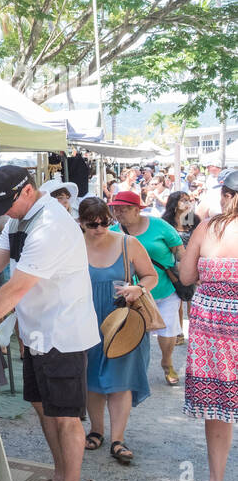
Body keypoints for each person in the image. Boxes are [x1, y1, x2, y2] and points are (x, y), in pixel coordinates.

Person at [0, 167, 100, 481]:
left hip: (62, 333)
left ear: (29, 192)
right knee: (42, 406)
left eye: (7, 204)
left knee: (66, 416)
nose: (3, 212)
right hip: (36, 332)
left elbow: (16, 287)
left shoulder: (50, 226)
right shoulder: (19, 219)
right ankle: (60, 477)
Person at [78, 197, 158, 463]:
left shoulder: (127, 243)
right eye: (92, 224)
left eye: (104, 222)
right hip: (86, 319)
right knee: (91, 379)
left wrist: (139, 288)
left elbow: (151, 275)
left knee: (120, 381)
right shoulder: (74, 247)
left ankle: (117, 439)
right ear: (81, 223)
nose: (99, 228)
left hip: (123, 320)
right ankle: (96, 430)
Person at [179, 168, 238, 481]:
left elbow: (187, 276)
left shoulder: (207, 228)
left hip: (213, 327)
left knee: (220, 408)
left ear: (227, 196)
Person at [109, 190, 185, 386]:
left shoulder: (159, 226)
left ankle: (167, 363)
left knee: (167, 331)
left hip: (165, 289)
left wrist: (188, 273)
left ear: (136, 210)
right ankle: (137, 370)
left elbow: (179, 252)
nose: (118, 214)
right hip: (136, 294)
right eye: (116, 210)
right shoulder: (114, 232)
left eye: (123, 210)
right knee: (137, 332)